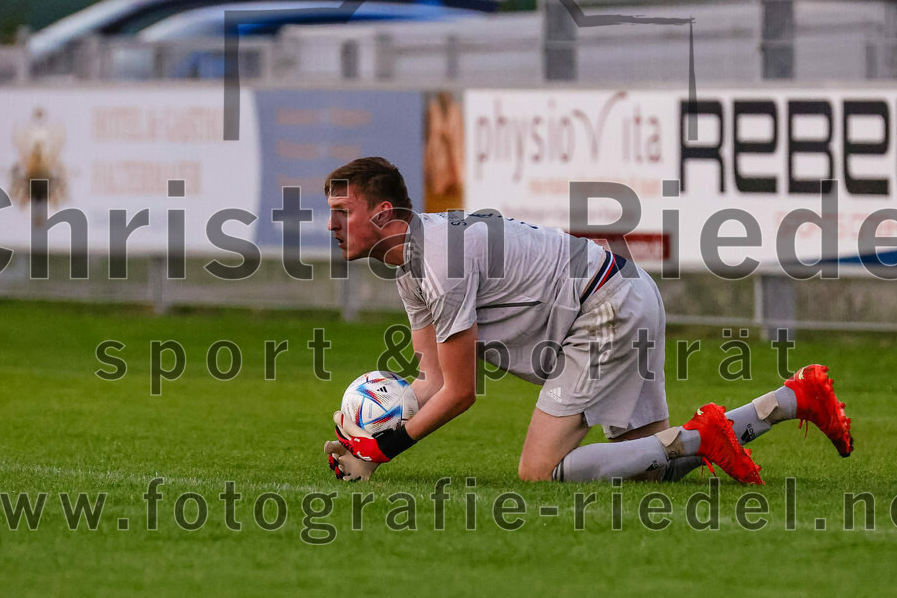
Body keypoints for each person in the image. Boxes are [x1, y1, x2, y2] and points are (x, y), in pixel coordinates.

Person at [323, 157, 853, 483]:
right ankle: (794, 399)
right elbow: (433, 380)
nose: (331, 225)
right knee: (652, 465)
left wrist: (384, 449)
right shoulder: (410, 268)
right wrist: (365, 431)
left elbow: (461, 392)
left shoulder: (439, 259)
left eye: (342, 213)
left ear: (385, 214)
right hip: (622, 290)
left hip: (604, 308)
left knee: (538, 472)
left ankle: (704, 435)